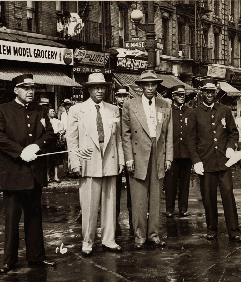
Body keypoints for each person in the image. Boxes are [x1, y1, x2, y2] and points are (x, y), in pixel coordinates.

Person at [0, 73, 56, 273]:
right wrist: (20, 152)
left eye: (32, 88)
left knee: (34, 217)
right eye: (26, 88)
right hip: (13, 172)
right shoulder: (2, 110)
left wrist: (36, 147)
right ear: (16, 90)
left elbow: (50, 134)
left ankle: (36, 257)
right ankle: (8, 260)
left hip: (34, 173)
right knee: (12, 219)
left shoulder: (41, 110)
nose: (30, 92)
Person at [67, 73, 124, 255]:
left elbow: (119, 139)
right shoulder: (77, 110)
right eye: (96, 87)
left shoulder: (113, 110)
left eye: (102, 87)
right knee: (89, 206)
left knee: (110, 204)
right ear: (89, 89)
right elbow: (72, 139)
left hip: (110, 160)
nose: (100, 90)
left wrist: (121, 159)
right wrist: (75, 162)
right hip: (88, 161)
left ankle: (109, 240)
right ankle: (87, 242)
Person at [185, 78, 241, 242]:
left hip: (224, 162)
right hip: (206, 162)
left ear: (216, 93)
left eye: (212, 91)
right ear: (202, 92)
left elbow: (233, 133)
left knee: (228, 197)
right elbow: (191, 140)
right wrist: (196, 160)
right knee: (208, 198)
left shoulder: (224, 110)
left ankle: (234, 230)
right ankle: (212, 229)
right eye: (206, 91)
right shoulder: (194, 112)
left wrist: (231, 147)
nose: (209, 94)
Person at [121, 70, 173, 249]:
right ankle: (139, 236)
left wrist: (168, 157)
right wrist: (128, 158)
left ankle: (153, 234)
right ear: (141, 87)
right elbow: (125, 134)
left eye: (153, 85)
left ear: (157, 86)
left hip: (158, 152)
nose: (150, 88)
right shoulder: (129, 105)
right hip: (138, 153)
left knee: (156, 197)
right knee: (139, 198)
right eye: (146, 85)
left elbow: (169, 134)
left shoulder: (165, 105)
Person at [164, 85, 192, 218]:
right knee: (170, 183)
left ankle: (183, 208)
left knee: (185, 183)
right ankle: (169, 208)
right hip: (172, 153)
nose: (182, 97)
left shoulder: (190, 112)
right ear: (173, 96)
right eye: (179, 94)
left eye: (183, 95)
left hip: (186, 154)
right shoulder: (168, 111)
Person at [114, 85, 133, 233]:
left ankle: (133, 216)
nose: (122, 99)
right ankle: (114, 217)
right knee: (115, 185)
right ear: (116, 97)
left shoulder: (132, 111)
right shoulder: (111, 112)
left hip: (130, 152)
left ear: (128, 97)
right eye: (119, 96)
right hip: (115, 153)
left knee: (132, 185)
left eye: (124, 96)